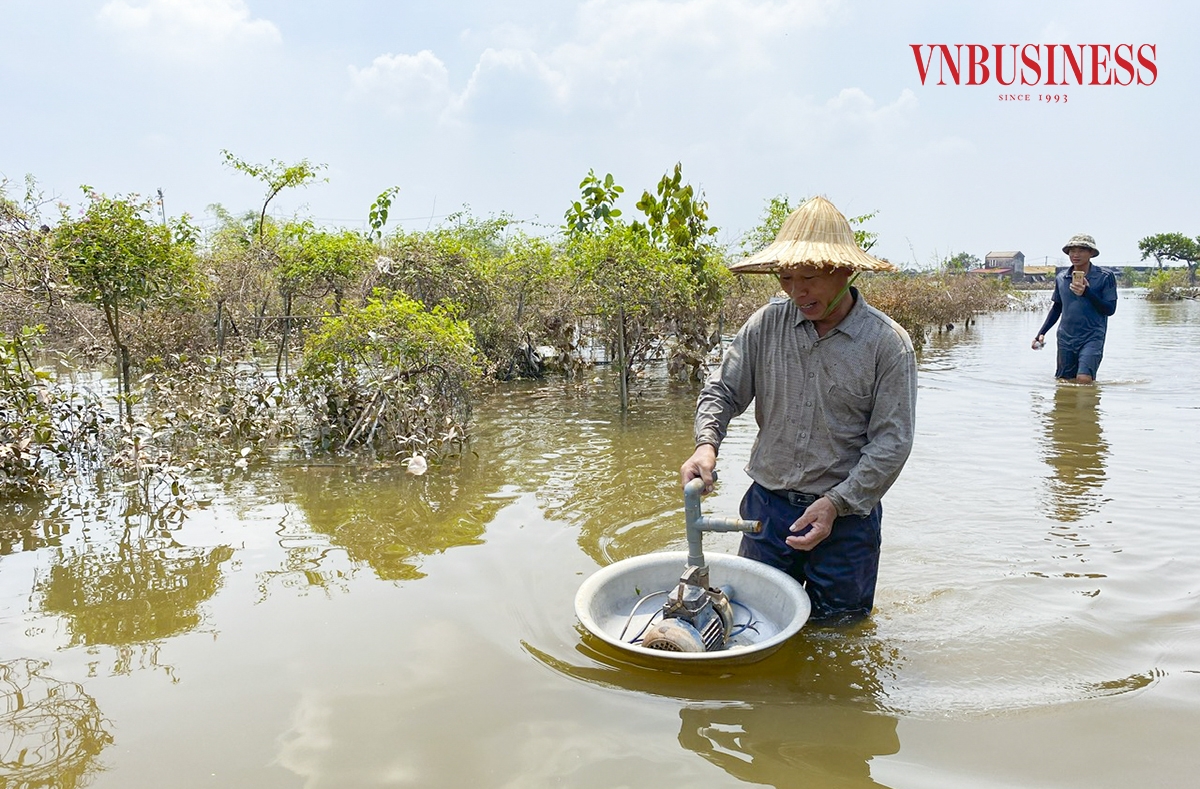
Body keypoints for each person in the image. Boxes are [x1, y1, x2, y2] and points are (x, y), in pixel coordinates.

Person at [679, 196, 917, 623]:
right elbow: (722, 392)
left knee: (839, 637)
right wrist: (705, 445)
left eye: (809, 277)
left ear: (846, 272)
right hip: (768, 512)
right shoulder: (766, 324)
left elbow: (892, 443)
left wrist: (836, 503)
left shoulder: (887, 344)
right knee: (754, 621)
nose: (796, 290)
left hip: (847, 520)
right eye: (787, 277)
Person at [1032, 233, 1118, 383]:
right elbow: (1057, 307)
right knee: (1064, 381)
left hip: (1092, 337)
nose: (1076, 255)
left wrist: (1087, 292)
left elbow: (1110, 309)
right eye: (1072, 251)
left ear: (1091, 253)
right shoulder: (1062, 277)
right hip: (1066, 337)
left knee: (1084, 379)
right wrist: (1041, 332)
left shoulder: (1105, 276)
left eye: (1081, 250)